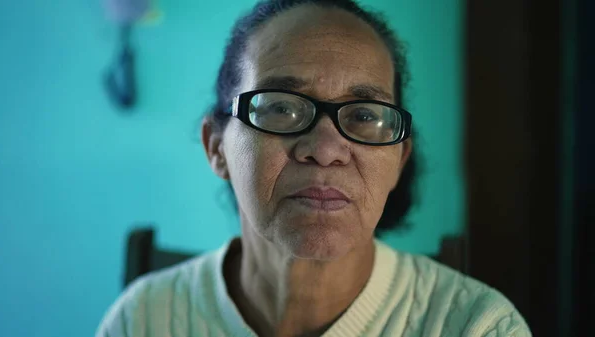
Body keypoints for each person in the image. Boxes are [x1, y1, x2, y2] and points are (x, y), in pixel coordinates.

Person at [96, 0, 532, 336]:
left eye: (364, 115)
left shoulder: (477, 327)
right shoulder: (145, 320)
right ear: (216, 148)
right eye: (281, 108)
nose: (326, 149)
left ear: (399, 159)